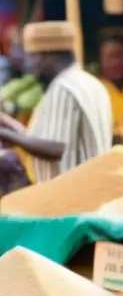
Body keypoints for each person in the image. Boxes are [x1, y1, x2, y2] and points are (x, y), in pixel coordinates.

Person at [0, 22, 112, 183]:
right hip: (92, 190)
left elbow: (57, 148)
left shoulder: (64, 88)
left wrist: (7, 135)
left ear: (47, 56)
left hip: (70, 196)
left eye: (32, 56)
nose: (29, 65)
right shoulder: (90, 83)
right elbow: (61, 139)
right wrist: (13, 129)